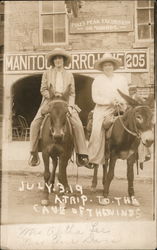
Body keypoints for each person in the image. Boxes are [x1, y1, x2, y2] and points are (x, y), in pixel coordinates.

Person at [28, 48, 89, 167]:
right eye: (55, 58)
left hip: (65, 102)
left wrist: (70, 105)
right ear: (53, 61)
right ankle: (33, 152)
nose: (58, 60)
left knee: (77, 124)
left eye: (60, 58)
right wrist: (53, 95)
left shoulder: (69, 75)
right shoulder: (47, 73)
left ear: (64, 60)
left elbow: (72, 93)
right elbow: (43, 89)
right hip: (49, 102)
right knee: (35, 123)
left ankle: (81, 154)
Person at [87, 53, 129, 168]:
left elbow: (126, 94)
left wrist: (120, 101)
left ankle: (141, 154)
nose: (108, 67)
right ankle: (93, 157)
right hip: (103, 108)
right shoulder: (97, 80)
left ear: (114, 66)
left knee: (135, 122)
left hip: (121, 106)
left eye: (110, 65)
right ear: (102, 67)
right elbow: (95, 97)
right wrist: (109, 101)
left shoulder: (121, 79)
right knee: (97, 128)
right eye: (105, 65)